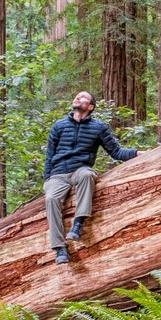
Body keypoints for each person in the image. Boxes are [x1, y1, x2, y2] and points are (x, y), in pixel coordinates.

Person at [43, 91, 137, 264]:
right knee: (51, 199)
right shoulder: (59, 126)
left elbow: (116, 152)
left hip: (80, 169)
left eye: (83, 97)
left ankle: (78, 223)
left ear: (91, 107)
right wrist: (48, 179)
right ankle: (59, 247)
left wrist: (137, 153)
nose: (78, 98)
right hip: (59, 173)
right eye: (77, 96)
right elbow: (50, 155)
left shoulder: (98, 127)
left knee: (88, 175)